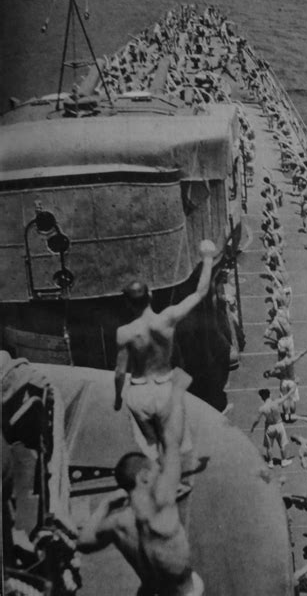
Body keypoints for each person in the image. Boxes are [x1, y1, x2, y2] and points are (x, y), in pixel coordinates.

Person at [114, 240, 216, 469]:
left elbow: (120, 372)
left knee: (151, 445)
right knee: (175, 443)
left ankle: (158, 474)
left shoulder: (124, 333)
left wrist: (117, 398)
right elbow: (199, 293)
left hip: (139, 392)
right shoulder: (166, 320)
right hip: (164, 387)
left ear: (128, 304)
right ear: (150, 295)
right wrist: (207, 259)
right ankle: (178, 476)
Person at [77, 452, 204, 596]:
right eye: (157, 472)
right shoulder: (161, 509)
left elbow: (83, 542)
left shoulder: (117, 522)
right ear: (144, 477)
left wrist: (105, 504)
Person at [250, 388, 294, 468]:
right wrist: (294, 387)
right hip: (279, 425)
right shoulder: (276, 402)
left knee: (269, 446)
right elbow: (287, 396)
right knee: (282, 445)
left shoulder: (262, 408)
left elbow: (257, 420)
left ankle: (270, 462)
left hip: (269, 427)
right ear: (270, 395)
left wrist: (253, 427)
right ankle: (284, 461)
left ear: (262, 398)